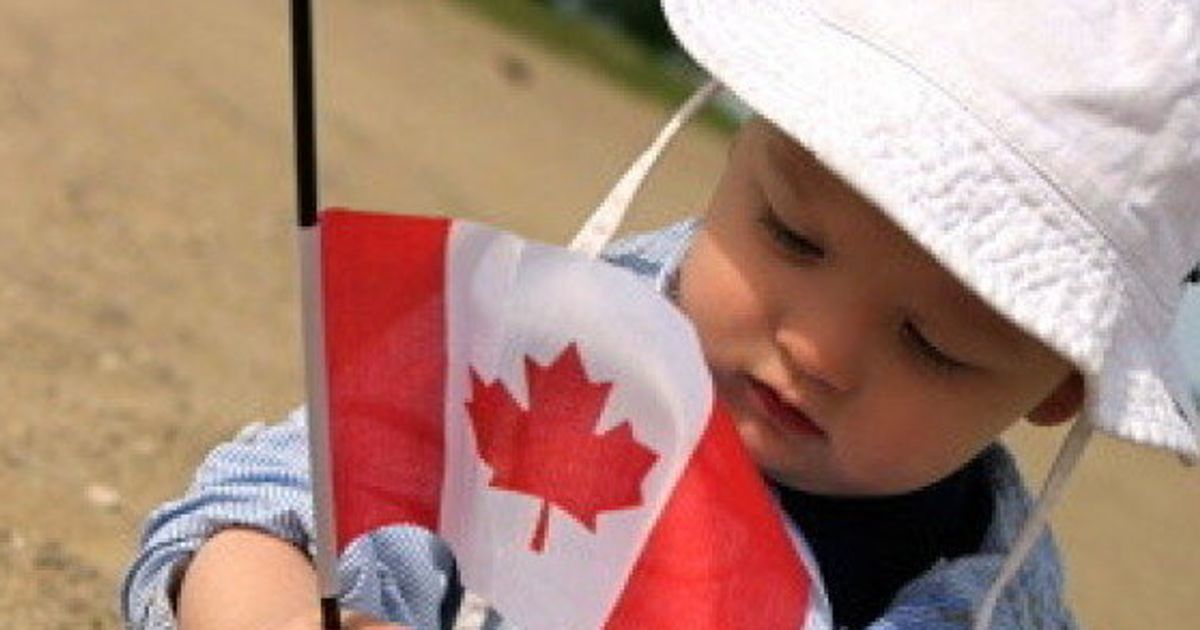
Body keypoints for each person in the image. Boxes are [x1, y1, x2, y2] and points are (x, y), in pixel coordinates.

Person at [122, 1, 1200, 628]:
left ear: (1063, 384)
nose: (815, 349)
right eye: (791, 234)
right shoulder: (543, 359)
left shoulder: (994, 592)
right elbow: (248, 517)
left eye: (935, 343)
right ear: (735, 138)